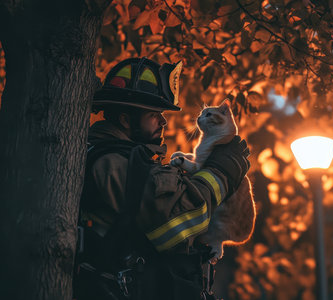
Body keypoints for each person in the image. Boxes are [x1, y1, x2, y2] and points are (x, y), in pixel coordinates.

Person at [73, 58, 250, 300]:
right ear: (126, 120)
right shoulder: (112, 163)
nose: (164, 121)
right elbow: (176, 220)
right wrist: (221, 173)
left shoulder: (125, 159)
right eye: (154, 114)